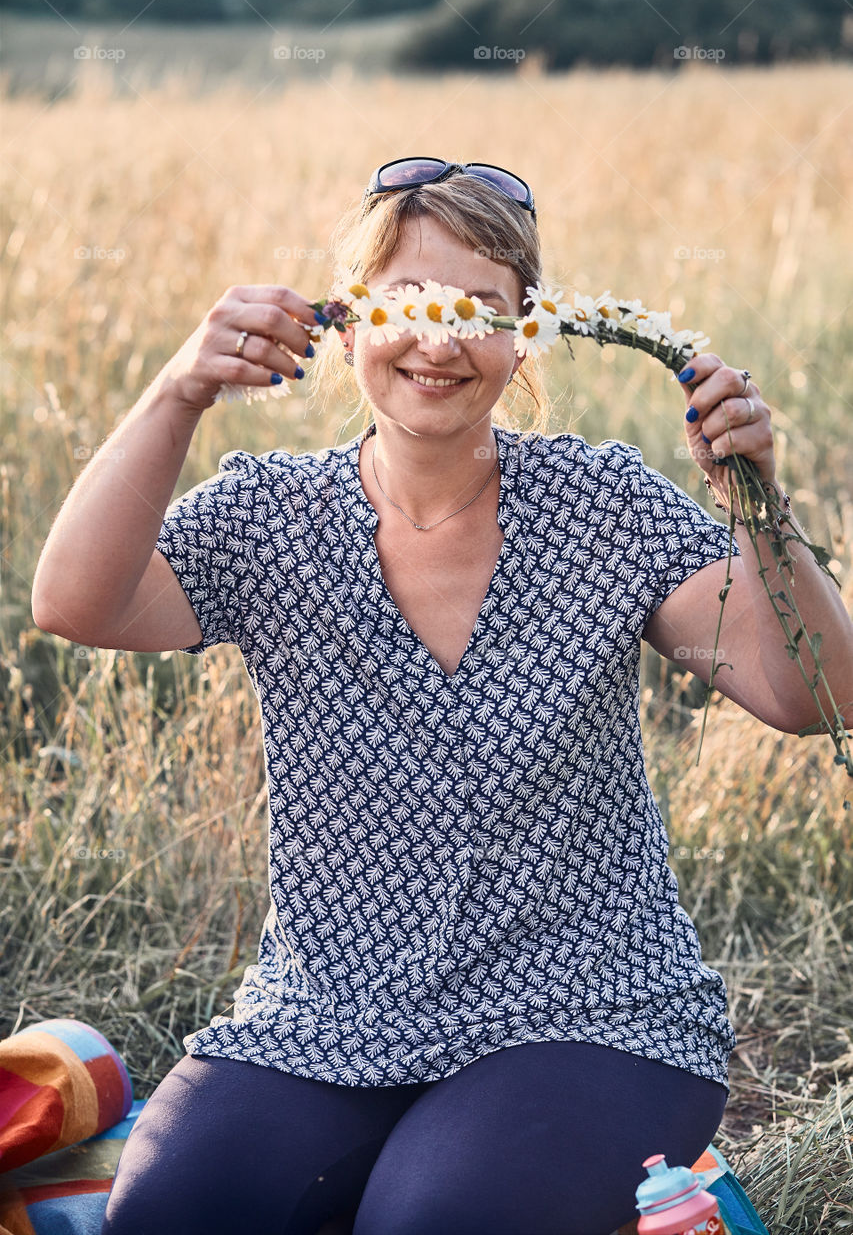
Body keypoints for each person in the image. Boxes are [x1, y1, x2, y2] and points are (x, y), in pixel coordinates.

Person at [31, 157, 853, 1235]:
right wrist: (180, 387)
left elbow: (813, 694)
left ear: (525, 336)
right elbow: (74, 602)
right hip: (325, 1016)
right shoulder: (269, 515)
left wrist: (757, 497)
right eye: (409, 303)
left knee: (425, 1222)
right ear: (348, 317)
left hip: (591, 1014)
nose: (440, 340)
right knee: (171, 1214)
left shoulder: (603, 505)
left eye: (479, 311)